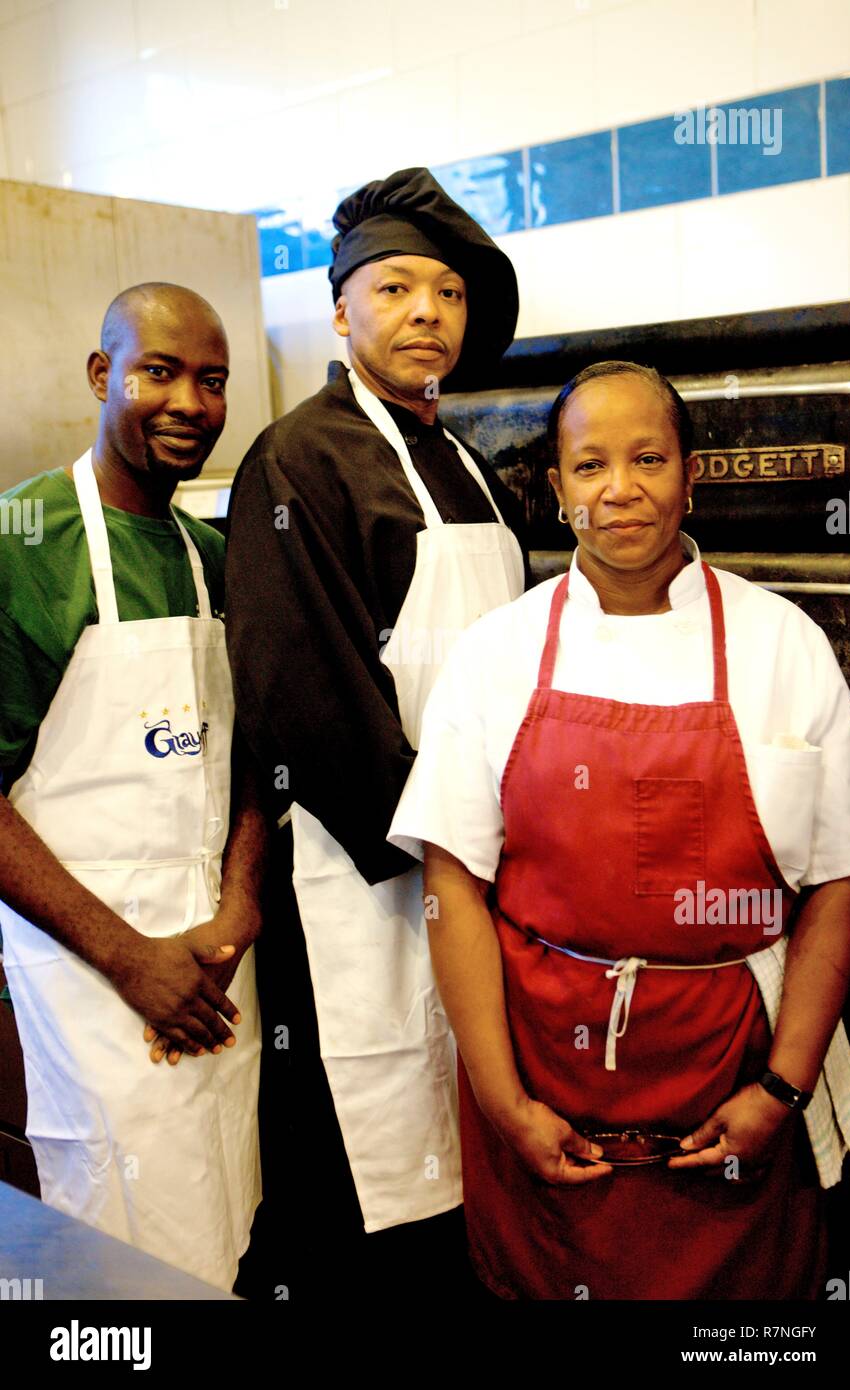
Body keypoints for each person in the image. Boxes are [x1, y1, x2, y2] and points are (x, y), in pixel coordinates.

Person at [389, 360, 850, 1300]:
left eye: (648, 458)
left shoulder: (783, 644)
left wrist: (782, 1090)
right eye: (591, 464)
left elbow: (843, 881)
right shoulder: (497, 655)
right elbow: (451, 886)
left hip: (733, 1081)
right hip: (542, 1085)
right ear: (558, 487)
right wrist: (500, 1101)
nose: (621, 489)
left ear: (690, 475)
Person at [226, 167, 528, 1295]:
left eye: (447, 293)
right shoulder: (296, 459)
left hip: (486, 869)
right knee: (358, 1182)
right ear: (340, 304)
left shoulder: (470, 466)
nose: (425, 314)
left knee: (468, 1152)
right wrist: (458, 845)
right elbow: (300, 700)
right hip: (365, 883)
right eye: (395, 287)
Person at [0, 283, 265, 1293]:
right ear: (101, 375)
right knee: (112, 1242)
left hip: (214, 963)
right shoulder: (23, 542)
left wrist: (237, 906)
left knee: (213, 1215)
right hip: (89, 974)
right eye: (159, 372)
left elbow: (253, 760)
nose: (189, 403)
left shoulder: (213, 556)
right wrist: (128, 959)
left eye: (212, 380)